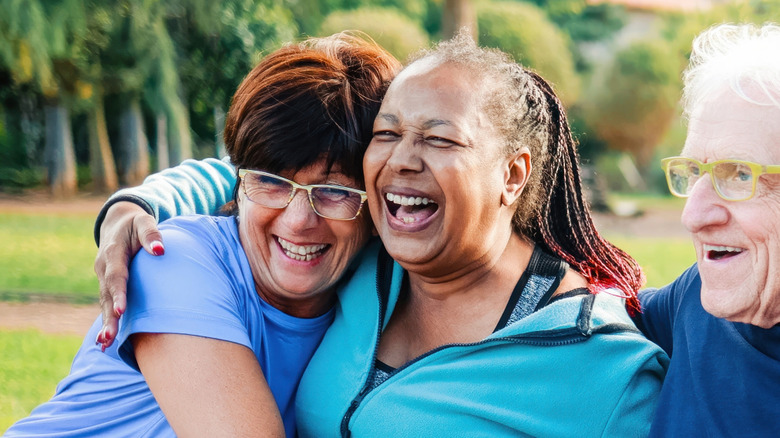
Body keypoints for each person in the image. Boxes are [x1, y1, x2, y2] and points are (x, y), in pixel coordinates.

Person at [92, 33, 667, 436]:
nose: (402, 161)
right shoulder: (365, 254)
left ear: (513, 174)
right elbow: (274, 169)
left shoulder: (600, 366)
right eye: (386, 133)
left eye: (440, 140)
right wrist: (135, 203)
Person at [4, 32, 400, 438]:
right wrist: (131, 204)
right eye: (272, 182)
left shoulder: (376, 291)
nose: (298, 220)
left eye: (334, 191)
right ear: (242, 184)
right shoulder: (173, 259)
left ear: (375, 205)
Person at [635, 23, 780, 437]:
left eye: (737, 174)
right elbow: (614, 307)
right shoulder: (696, 300)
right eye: (695, 171)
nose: (693, 216)